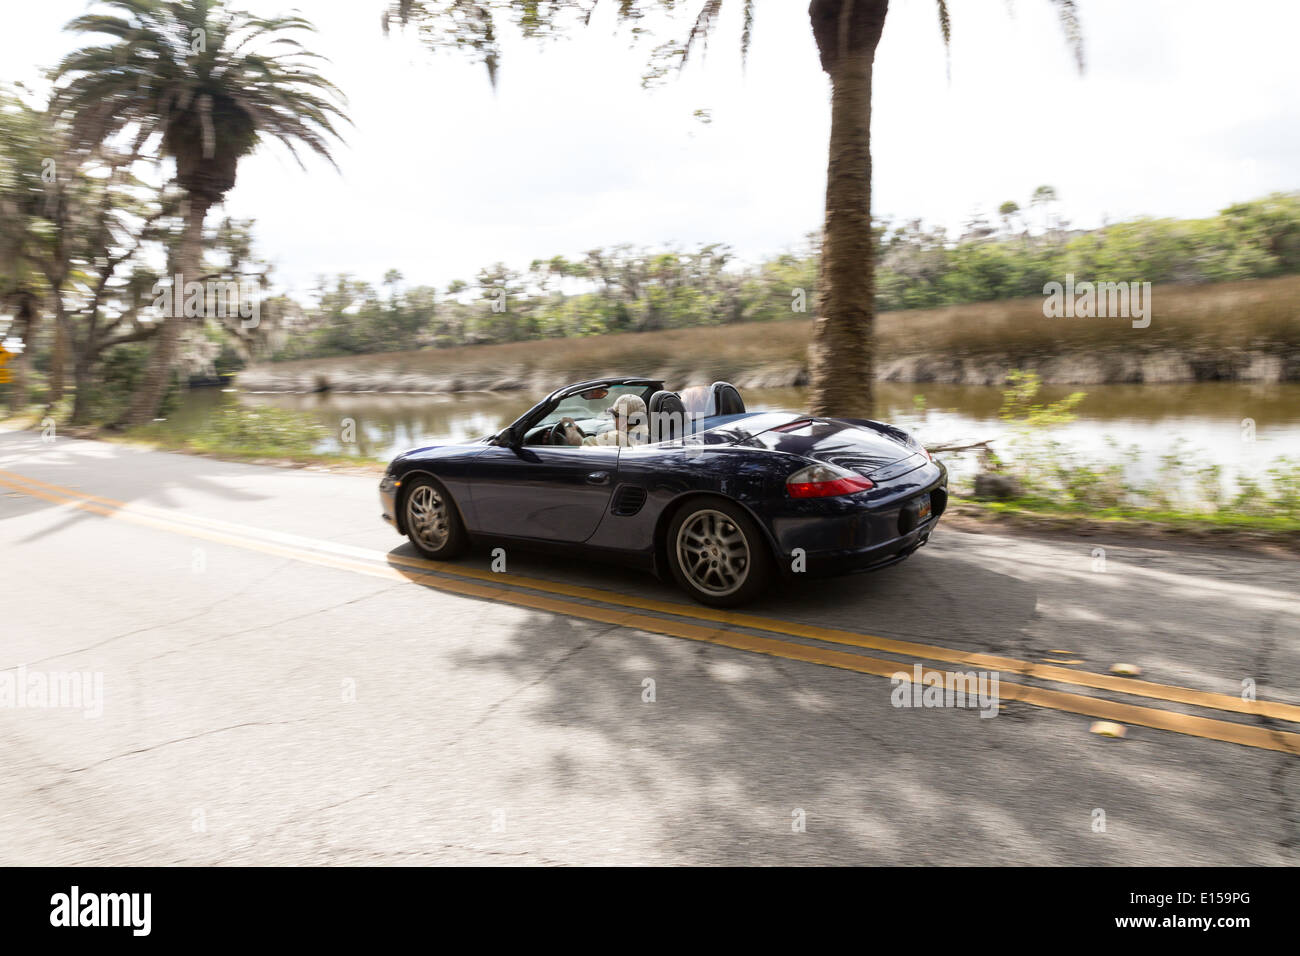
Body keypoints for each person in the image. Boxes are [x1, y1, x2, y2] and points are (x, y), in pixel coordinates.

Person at [582, 393, 649, 447]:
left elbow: (580, 445)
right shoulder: (646, 434)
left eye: (615, 416)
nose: (613, 420)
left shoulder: (617, 437)